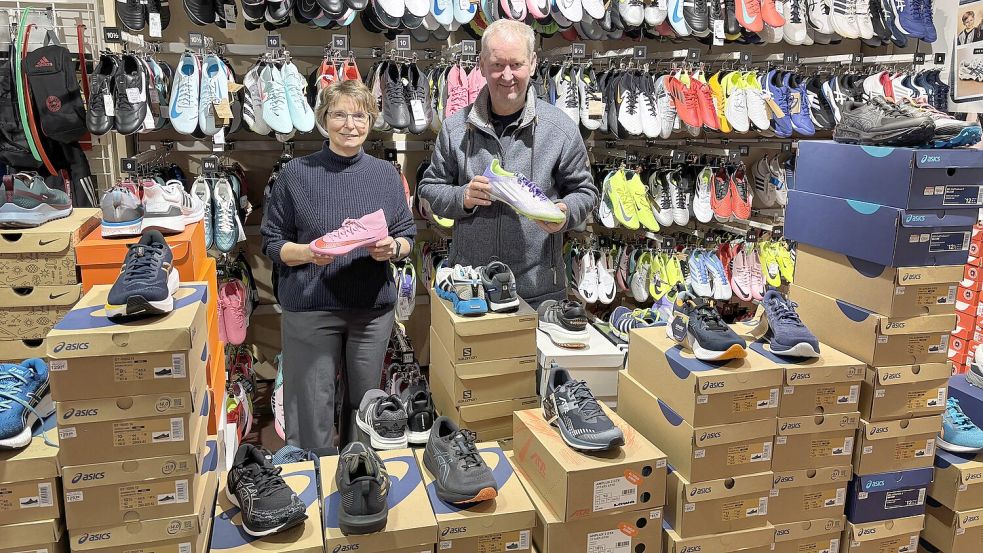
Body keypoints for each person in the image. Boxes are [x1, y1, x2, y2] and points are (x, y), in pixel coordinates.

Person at [261, 79, 415, 451]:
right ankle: (312, 475)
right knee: (310, 408)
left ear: (371, 121)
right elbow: (272, 242)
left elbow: (407, 234)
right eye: (339, 115)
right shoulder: (295, 174)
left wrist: (393, 248)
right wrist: (308, 253)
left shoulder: (386, 175)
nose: (350, 125)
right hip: (311, 305)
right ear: (323, 119)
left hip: (371, 309)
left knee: (365, 406)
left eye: (359, 116)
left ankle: (357, 471)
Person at [417, 19, 597, 308]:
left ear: (533, 63)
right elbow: (429, 189)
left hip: (539, 289)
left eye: (516, 64)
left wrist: (565, 212)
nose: (507, 75)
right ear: (482, 65)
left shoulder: (560, 128)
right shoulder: (455, 128)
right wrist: (462, 197)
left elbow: (586, 193)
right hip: (472, 287)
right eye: (498, 64)